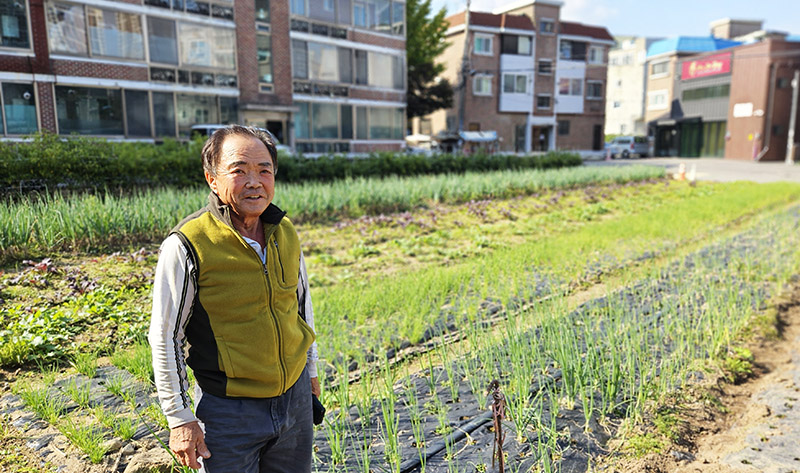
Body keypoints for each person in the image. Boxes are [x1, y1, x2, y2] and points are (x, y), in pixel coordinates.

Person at [149, 125, 320, 472]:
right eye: (239, 171)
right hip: (229, 412)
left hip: (295, 398)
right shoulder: (188, 243)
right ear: (212, 179)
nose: (254, 182)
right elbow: (165, 335)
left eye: (264, 171)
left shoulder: (284, 231)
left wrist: (311, 370)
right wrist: (179, 418)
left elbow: (300, 306)